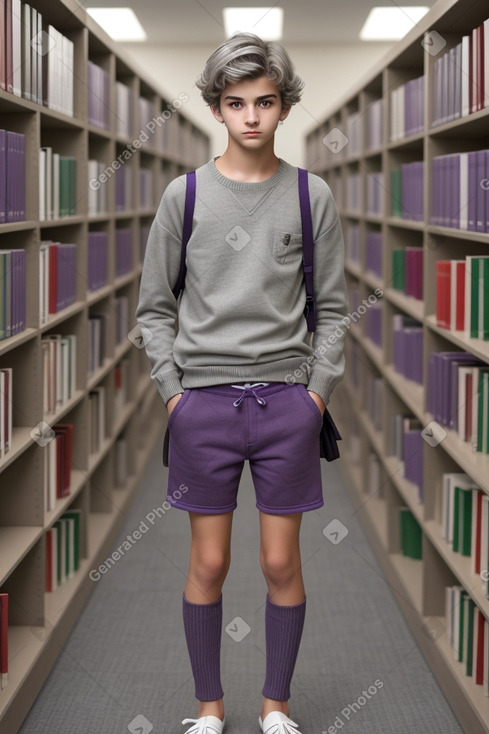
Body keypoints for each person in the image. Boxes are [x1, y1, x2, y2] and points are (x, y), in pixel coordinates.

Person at [136, 31, 348, 734]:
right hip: (203, 407)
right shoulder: (184, 196)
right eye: (235, 103)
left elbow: (335, 309)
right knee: (210, 560)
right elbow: (155, 309)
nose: (250, 116)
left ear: (284, 107)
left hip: (287, 404)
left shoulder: (310, 194)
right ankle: (208, 709)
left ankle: (276, 707)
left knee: (281, 560)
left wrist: (314, 393)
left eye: (264, 101)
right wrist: (174, 394)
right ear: (216, 109)